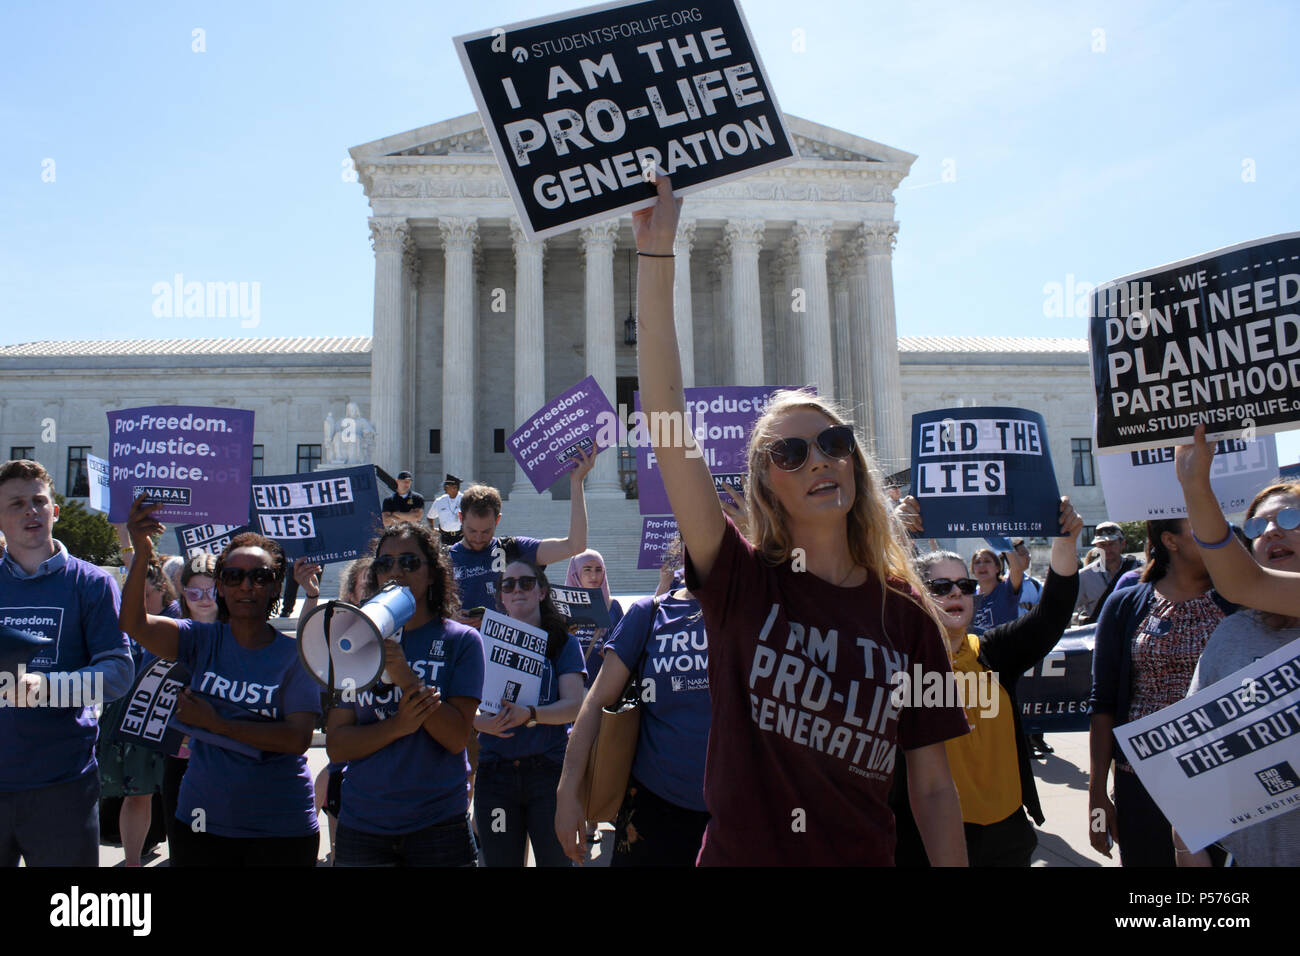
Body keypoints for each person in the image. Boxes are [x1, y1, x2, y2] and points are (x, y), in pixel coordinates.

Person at [631, 174, 969, 866]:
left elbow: (933, 787)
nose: (819, 461)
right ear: (768, 483)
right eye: (792, 452)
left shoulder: (908, 617)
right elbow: (669, 431)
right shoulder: (742, 584)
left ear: (855, 465)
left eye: (834, 444)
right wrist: (657, 257)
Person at [120, 500, 322, 867]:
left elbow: (296, 738)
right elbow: (134, 624)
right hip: (201, 822)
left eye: (260, 577)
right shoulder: (200, 640)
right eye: (233, 576)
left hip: (280, 829)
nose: (246, 586)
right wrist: (141, 552)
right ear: (221, 587)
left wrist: (217, 724)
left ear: (276, 584)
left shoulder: (295, 655)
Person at [893, 497, 1083, 866]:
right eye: (940, 587)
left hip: (1006, 835)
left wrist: (1065, 539)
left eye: (964, 585)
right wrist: (893, 532)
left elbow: (1053, 613)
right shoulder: (896, 657)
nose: (955, 593)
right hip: (926, 839)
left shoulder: (993, 651)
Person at [0, 459, 133, 867]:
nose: (30, 511)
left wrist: (47, 689)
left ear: (54, 511)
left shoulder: (91, 582)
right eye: (16, 503)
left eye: (39, 501)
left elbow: (118, 672)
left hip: (62, 785)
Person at [326, 524, 483, 867]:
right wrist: (398, 725)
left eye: (410, 562)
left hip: (438, 826)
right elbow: (337, 745)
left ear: (432, 573)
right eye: (385, 564)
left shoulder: (462, 642)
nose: (396, 571)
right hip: (363, 826)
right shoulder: (353, 640)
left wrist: (406, 678)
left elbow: (457, 738)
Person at [1087, 517, 1234, 867]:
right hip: (1143, 786)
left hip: (1229, 780)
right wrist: (1096, 799)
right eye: (1203, 524)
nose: (1221, 531)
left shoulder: (1241, 599)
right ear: (1171, 540)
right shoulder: (1125, 605)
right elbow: (1103, 703)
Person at [556, 537, 711, 866]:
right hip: (654, 808)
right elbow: (596, 700)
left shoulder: (753, 609)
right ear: (681, 547)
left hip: (736, 809)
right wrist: (568, 792)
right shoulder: (649, 613)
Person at [472, 558, 585, 867]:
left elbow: (575, 705)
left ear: (542, 592)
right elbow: (462, 707)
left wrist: (531, 714)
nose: (517, 590)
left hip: (547, 773)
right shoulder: (479, 644)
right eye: (508, 585)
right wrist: (481, 723)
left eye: (526, 583)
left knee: (556, 861)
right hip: (495, 775)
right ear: (501, 596)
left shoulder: (564, 644)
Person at [448, 449, 596, 631]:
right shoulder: (445, 559)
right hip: (463, 651)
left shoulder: (514, 549)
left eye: (486, 531)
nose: (478, 538)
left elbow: (575, 545)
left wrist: (576, 482)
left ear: (498, 520)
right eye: (472, 531)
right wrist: (449, 618)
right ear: (461, 519)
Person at [97, 554, 176, 866]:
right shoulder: (126, 620)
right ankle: (132, 862)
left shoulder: (177, 617)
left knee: (174, 794)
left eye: (147, 594)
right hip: (128, 717)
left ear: (163, 590)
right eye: (135, 595)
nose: (141, 600)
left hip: (168, 718)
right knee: (136, 793)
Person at [160, 553, 220, 857]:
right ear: (184, 595)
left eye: (211, 590)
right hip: (180, 757)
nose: (204, 599)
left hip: (222, 761)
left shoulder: (238, 635)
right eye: (195, 592)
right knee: (183, 847)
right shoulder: (172, 633)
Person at [564, 548, 624, 683]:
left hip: (602, 684)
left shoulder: (612, 606)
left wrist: (612, 653)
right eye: (587, 569)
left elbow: (625, 643)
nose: (593, 576)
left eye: (598, 570)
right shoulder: (563, 607)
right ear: (575, 573)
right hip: (569, 685)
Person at [1074, 522, 1140, 624]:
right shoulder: (1084, 576)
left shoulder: (1138, 570)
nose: (1107, 549)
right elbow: (1067, 609)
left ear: (1123, 544)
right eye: (1102, 545)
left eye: (1112, 544)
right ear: (1096, 546)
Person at [970, 546, 1026, 631]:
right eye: (977, 562)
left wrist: (1005, 545)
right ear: (973, 570)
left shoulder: (1006, 590)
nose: (982, 565)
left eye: (987, 561)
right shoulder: (969, 598)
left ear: (997, 568)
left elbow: (1017, 570)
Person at [429, 474, 464, 547]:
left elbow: (472, 517)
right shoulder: (440, 501)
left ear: (455, 487)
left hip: (461, 537)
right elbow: (430, 516)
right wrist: (432, 529)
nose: (444, 488)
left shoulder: (465, 500)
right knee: (445, 557)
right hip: (445, 537)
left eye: (447, 486)